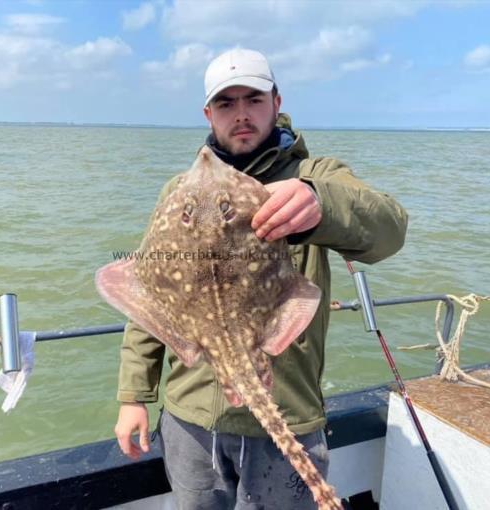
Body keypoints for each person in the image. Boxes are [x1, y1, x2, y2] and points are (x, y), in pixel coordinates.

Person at [114, 48, 408, 509]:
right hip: (190, 417)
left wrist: (320, 204)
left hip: (286, 411)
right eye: (226, 104)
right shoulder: (177, 192)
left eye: (253, 99)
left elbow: (390, 228)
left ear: (276, 100)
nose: (242, 114)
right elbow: (153, 294)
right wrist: (134, 394)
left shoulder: (315, 175)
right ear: (209, 114)